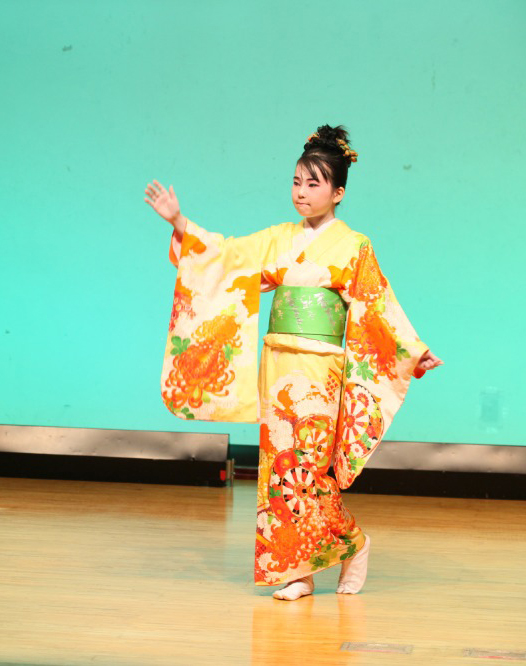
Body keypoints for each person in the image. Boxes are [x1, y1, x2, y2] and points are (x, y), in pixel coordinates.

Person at [144, 125, 442, 600]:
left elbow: (377, 306)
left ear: (338, 192)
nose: (302, 193)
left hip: (320, 371)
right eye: (298, 182)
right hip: (277, 364)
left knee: (308, 469)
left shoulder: (354, 245)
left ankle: (354, 543)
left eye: (314, 184)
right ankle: (296, 572)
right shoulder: (279, 238)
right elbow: (227, 257)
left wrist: (411, 349)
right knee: (278, 469)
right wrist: (179, 222)